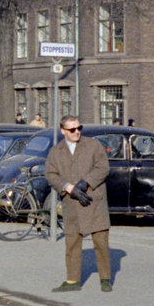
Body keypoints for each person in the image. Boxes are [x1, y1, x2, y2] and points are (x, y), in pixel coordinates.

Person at [45, 115, 113, 292]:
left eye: (79, 128)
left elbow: (103, 167)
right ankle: (72, 281)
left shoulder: (93, 145)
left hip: (94, 200)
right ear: (63, 131)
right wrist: (69, 188)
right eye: (72, 129)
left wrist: (85, 183)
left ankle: (105, 278)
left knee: (101, 242)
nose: (77, 132)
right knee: (73, 243)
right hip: (72, 202)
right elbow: (51, 175)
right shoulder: (56, 151)